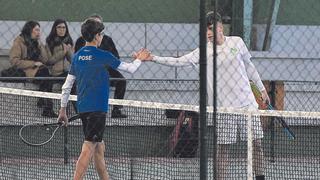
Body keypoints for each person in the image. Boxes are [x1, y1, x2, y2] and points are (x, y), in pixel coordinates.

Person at [144, 11, 269, 180]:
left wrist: (261, 89)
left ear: (220, 27)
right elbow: (179, 61)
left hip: (247, 105)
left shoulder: (237, 42)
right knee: (222, 150)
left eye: (210, 28)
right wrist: (153, 58)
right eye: (205, 30)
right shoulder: (203, 51)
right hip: (224, 109)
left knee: (257, 145)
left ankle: (260, 177)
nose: (208, 33)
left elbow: (249, 67)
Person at [57, 19, 150, 180]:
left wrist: (63, 110)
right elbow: (131, 69)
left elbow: (66, 86)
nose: (102, 37)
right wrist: (140, 58)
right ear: (96, 36)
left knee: (99, 148)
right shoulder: (104, 56)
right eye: (101, 34)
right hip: (98, 111)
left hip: (84, 109)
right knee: (88, 148)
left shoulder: (77, 56)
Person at [74, 14, 127, 118]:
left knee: (121, 81)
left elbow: (116, 57)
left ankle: (116, 110)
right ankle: (81, 111)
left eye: (98, 24)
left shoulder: (107, 40)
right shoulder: (81, 41)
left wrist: (104, 61)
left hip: (107, 70)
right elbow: (77, 58)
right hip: (87, 71)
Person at [9, 20, 57, 117]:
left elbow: (46, 60)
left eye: (39, 30)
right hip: (25, 70)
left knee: (47, 76)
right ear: (29, 30)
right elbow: (14, 61)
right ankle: (46, 106)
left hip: (38, 70)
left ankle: (43, 101)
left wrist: (40, 44)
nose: (39, 32)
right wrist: (33, 63)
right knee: (46, 76)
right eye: (36, 30)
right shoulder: (19, 41)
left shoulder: (37, 43)